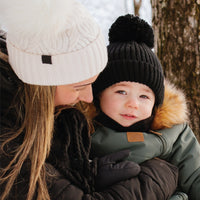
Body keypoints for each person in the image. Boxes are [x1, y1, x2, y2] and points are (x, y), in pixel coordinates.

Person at [0, 0, 178, 199]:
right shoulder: (7, 140)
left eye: (91, 85)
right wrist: (156, 177)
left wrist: (89, 174)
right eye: (79, 87)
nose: (88, 98)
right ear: (43, 83)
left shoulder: (57, 118)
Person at [91, 14, 200, 200]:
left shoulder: (174, 134)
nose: (133, 104)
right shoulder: (77, 133)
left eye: (144, 96)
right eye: (121, 92)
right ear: (98, 94)